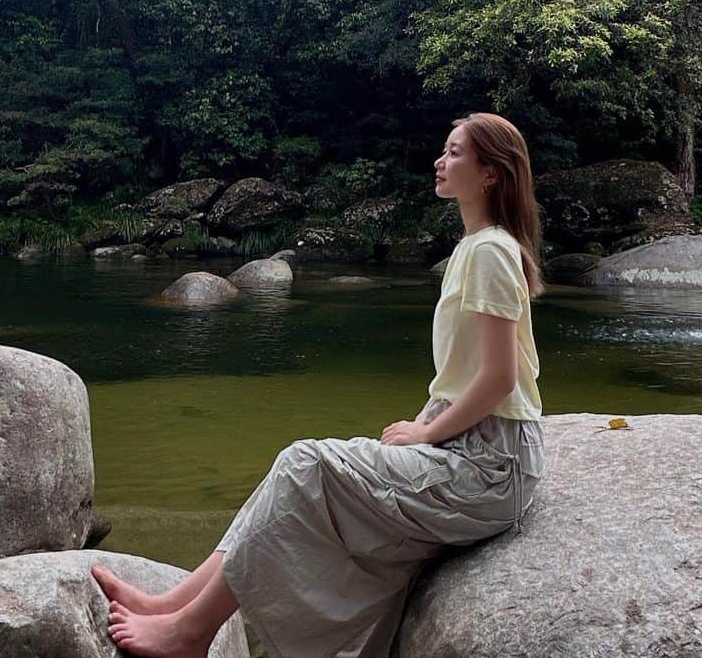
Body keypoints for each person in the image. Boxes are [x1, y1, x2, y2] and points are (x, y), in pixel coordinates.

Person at [92, 110, 546, 658]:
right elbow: (473, 373)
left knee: (305, 463)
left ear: (491, 173)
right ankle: (176, 604)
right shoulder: (476, 248)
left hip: (491, 469)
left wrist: (427, 435)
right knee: (296, 468)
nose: (439, 160)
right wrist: (427, 422)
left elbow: (498, 380)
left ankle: (192, 632)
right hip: (470, 449)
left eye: (454, 152)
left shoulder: (491, 252)